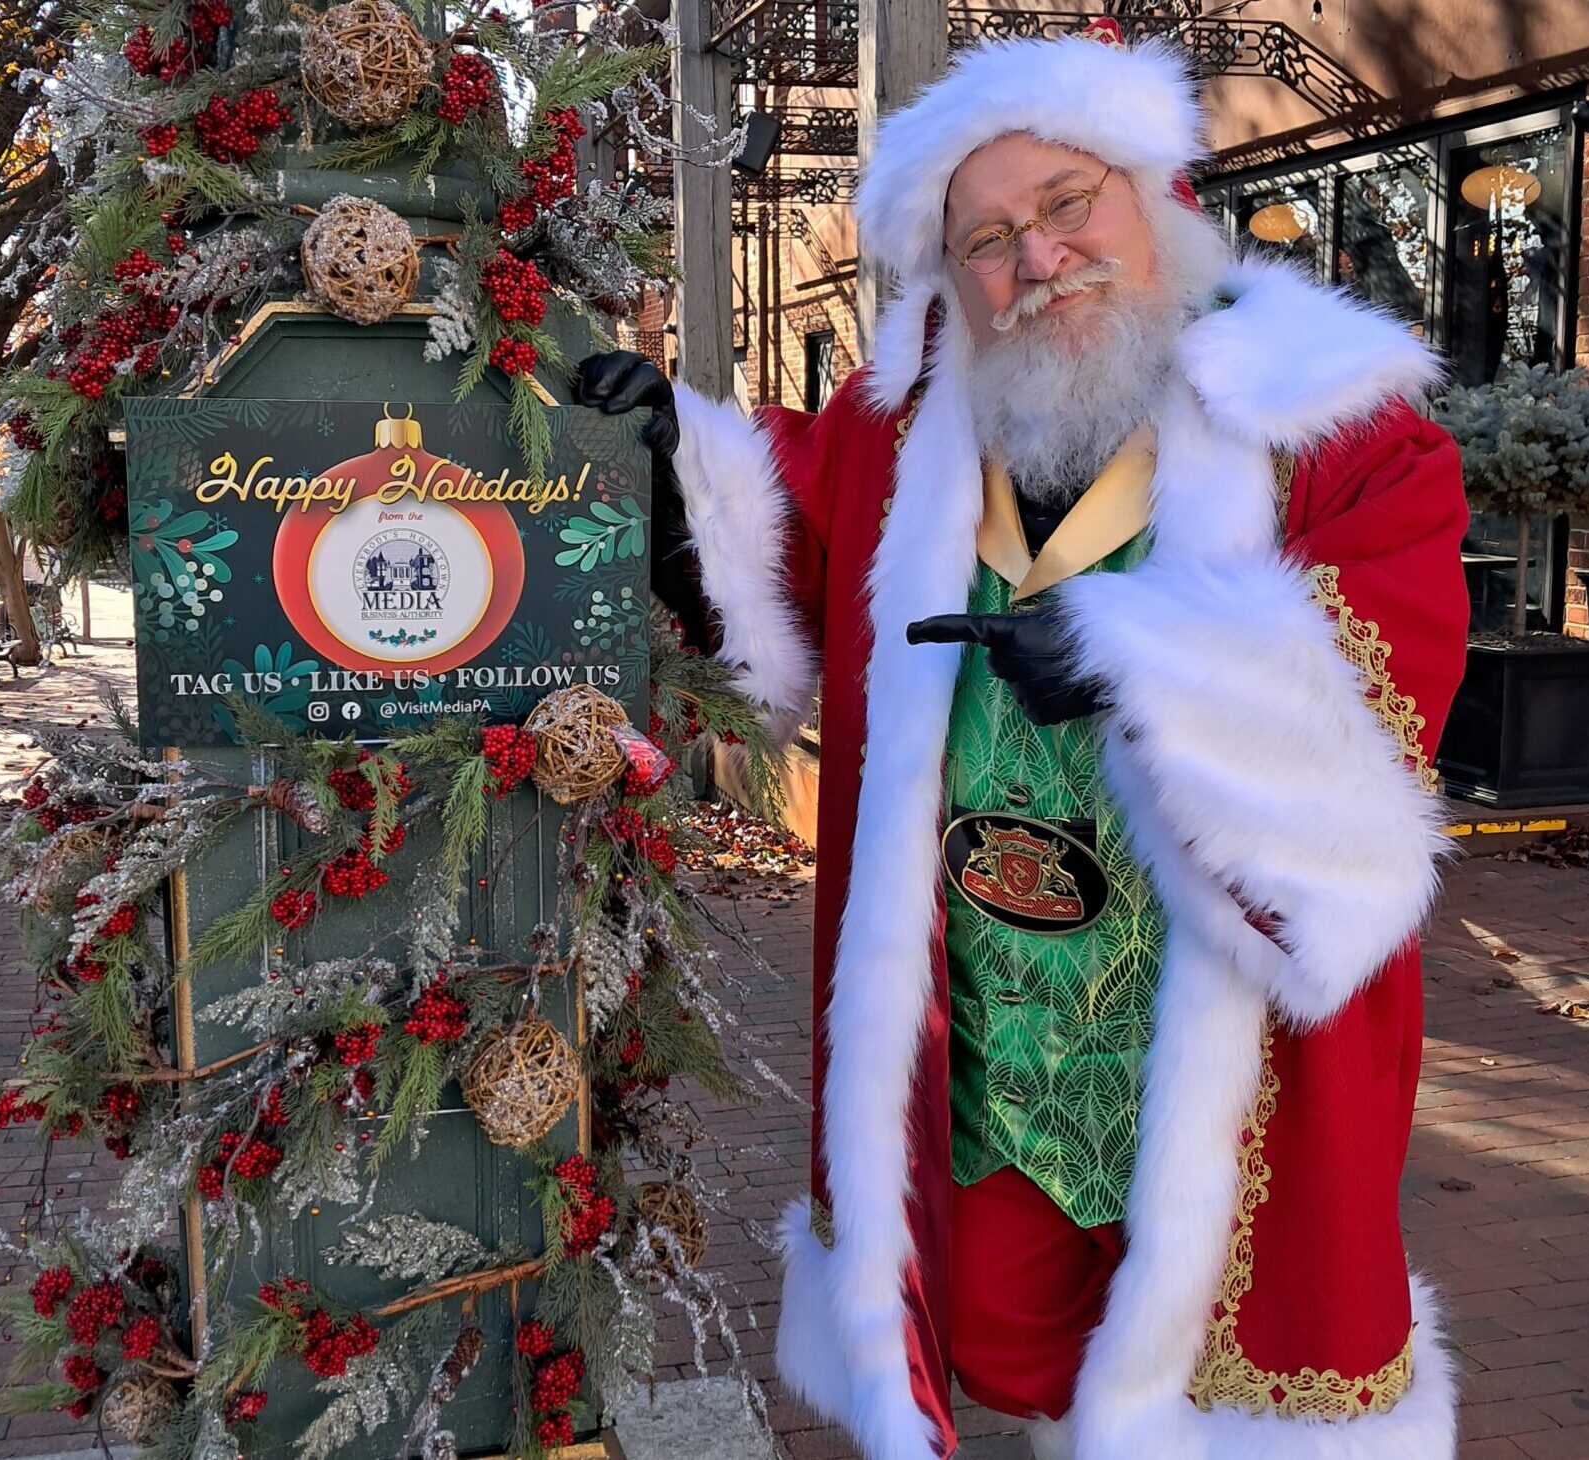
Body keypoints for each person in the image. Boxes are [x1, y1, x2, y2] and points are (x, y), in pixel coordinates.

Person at [578, 24, 1468, 1460]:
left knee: (1221, 1352)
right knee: (1016, 1328)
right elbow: (790, 540)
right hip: (984, 1030)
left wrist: (1144, 662)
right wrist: (674, 465)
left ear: (1152, 193)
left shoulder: (1323, 424)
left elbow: (1392, 658)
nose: (1038, 258)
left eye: (1067, 203)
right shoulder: (912, 430)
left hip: (1215, 1037)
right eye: (986, 241)